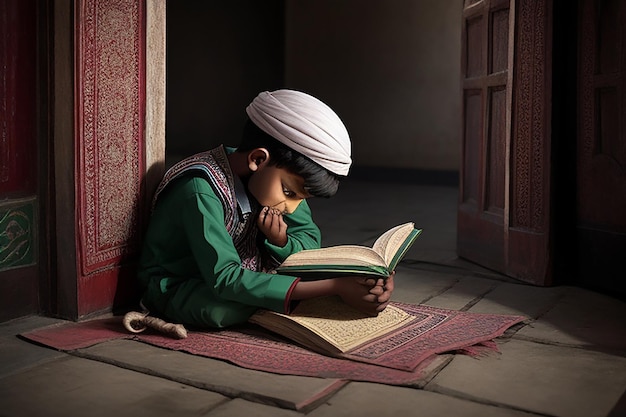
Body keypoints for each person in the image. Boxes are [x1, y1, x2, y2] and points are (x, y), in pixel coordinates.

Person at [136, 89, 394, 329]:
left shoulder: (277, 184)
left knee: (299, 284)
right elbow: (224, 278)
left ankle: (284, 294)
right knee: (218, 310)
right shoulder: (199, 189)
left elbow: (309, 244)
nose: (292, 208)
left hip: (246, 272)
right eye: (290, 193)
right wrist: (334, 286)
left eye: (301, 198)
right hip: (183, 283)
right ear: (258, 159)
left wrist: (280, 241)